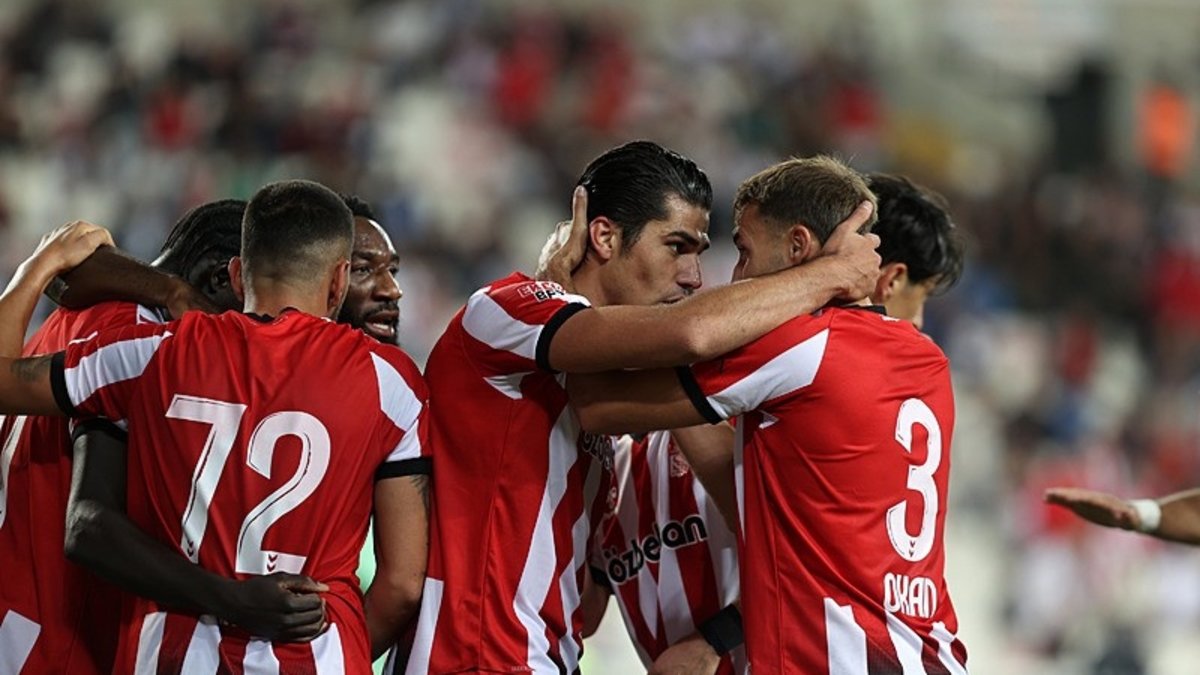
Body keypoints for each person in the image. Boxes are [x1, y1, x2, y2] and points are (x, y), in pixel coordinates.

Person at [405, 140, 882, 675]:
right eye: (677, 246)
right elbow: (691, 333)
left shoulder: (605, 396)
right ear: (604, 236)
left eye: (701, 252)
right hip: (473, 658)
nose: (694, 277)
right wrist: (832, 273)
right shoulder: (504, 311)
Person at [0, 180, 429, 673]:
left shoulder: (138, 348)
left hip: (116, 637)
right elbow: (401, 584)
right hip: (64, 637)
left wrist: (38, 269)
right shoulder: (389, 382)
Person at [568, 157, 969, 673]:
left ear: (799, 247)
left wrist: (560, 287)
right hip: (927, 651)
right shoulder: (927, 363)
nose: (734, 275)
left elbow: (608, 394)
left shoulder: (802, 347)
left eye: (743, 251)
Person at [338, 195, 403, 345]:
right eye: (363, 269)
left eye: (392, 270)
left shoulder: (400, 367)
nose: (393, 291)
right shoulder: (279, 365)